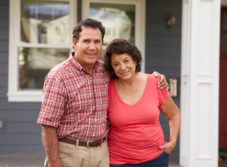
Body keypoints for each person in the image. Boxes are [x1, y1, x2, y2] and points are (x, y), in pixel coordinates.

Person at [37, 18, 168, 167]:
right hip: (69, 152)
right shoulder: (58, 76)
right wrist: (54, 163)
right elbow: (48, 125)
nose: (92, 47)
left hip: (101, 153)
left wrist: (155, 77)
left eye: (97, 42)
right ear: (75, 43)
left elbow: (128, 73)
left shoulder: (106, 71)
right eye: (86, 41)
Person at [104, 39, 181, 167]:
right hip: (119, 161)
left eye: (126, 61)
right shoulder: (107, 88)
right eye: (116, 64)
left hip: (156, 159)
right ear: (112, 67)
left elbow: (174, 114)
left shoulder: (155, 82)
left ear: (135, 60)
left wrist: (172, 142)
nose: (122, 67)